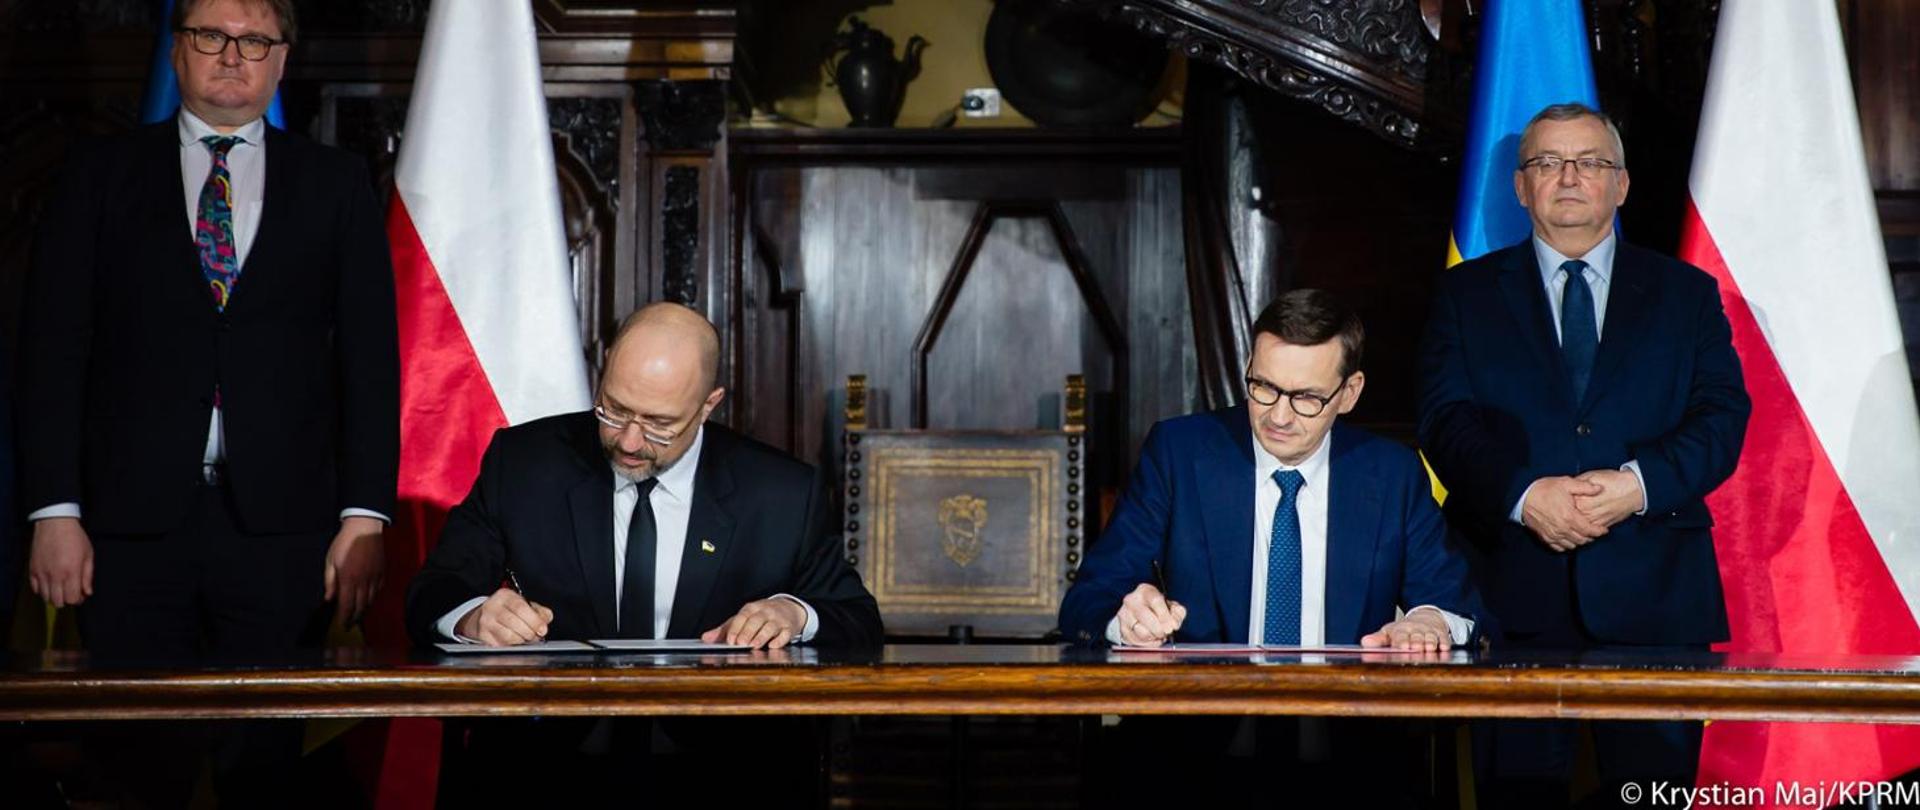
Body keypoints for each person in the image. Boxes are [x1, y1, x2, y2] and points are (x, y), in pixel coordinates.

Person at [16, 0, 397, 803]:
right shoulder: (98, 177)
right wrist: (55, 510)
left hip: (283, 534)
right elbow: (52, 352)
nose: (233, 54)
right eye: (211, 35)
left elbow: (369, 363)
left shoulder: (336, 184)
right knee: (132, 769)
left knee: (266, 771)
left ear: (282, 58)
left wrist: (364, 518)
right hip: (125, 532)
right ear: (178, 48)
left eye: (255, 38)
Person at [1417, 102, 1750, 806]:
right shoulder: (1463, 294)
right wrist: (1523, 495)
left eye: (1590, 162)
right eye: (1547, 162)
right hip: (1513, 596)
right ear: (1519, 186)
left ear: (1621, 185)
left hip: (1657, 600)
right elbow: (1444, 420)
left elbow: (1722, 418)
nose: (1569, 177)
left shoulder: (1685, 294)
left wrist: (1639, 485)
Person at [1060, 289, 1486, 806]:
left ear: (1349, 392)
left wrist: (1428, 621)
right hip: (1194, 765)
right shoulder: (1180, 452)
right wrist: (1124, 620)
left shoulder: (1391, 473)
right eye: (1263, 387)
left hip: (1353, 770)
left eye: (1306, 397)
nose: (1279, 416)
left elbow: (1460, 609)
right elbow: (1088, 601)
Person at [406, 302, 881, 649]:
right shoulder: (524, 463)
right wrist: (473, 618)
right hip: (550, 756)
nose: (629, 441)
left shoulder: (782, 493)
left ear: (708, 405)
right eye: (613, 410)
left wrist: (793, 613)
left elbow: (858, 620)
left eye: (659, 423)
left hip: (718, 763)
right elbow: (434, 590)